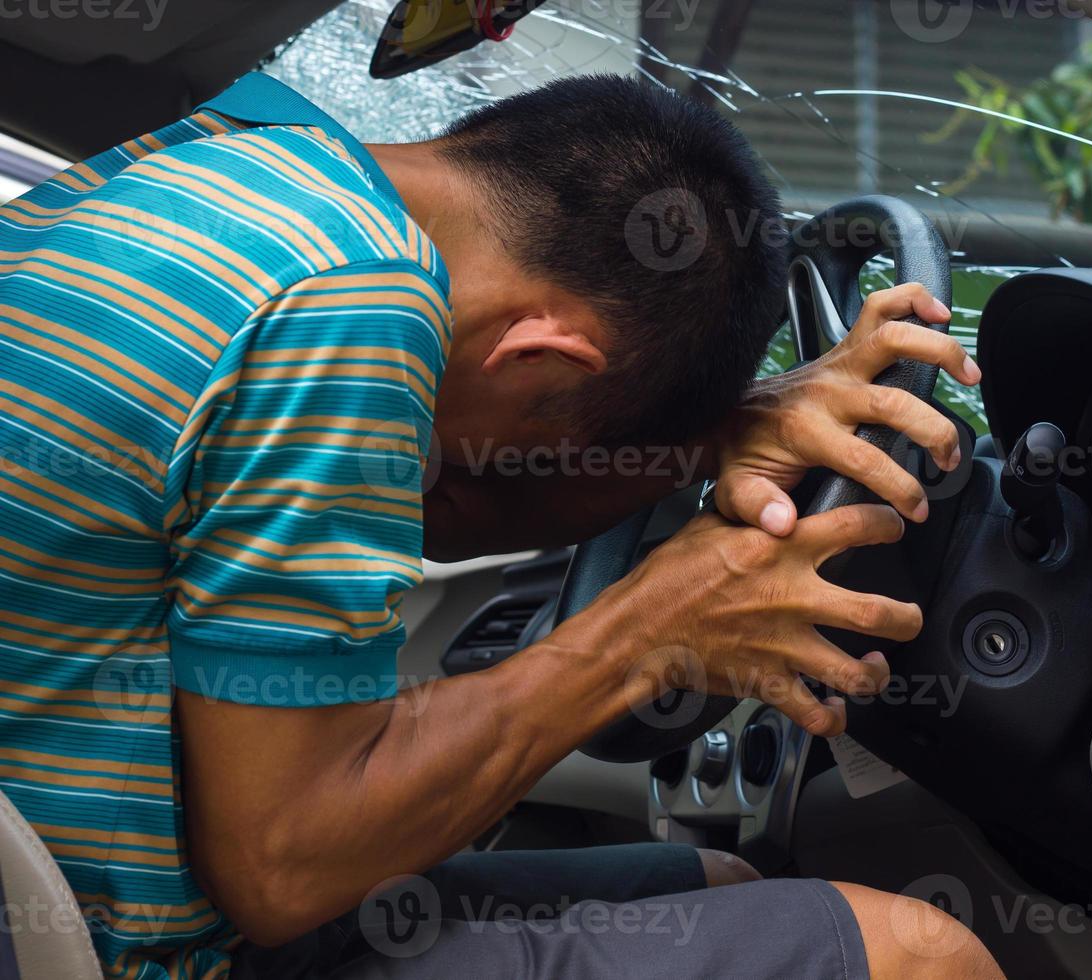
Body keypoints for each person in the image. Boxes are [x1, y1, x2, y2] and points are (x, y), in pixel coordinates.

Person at [0, 69, 1003, 979]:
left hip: (67, 885)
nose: (513, 475)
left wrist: (716, 436)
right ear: (540, 358)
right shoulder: (356, 306)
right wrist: (647, 632)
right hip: (127, 951)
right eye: (556, 438)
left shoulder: (225, 150)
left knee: (720, 882)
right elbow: (284, 867)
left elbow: (424, 500)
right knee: (923, 951)